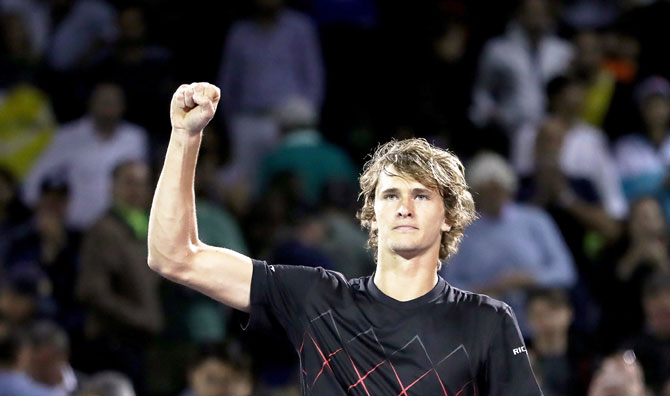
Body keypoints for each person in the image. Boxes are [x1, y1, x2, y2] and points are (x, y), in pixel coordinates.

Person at [148, 82, 543, 395]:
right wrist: (185, 137)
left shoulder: (486, 321)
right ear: (373, 215)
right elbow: (174, 256)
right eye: (390, 195)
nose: (404, 206)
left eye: (420, 195)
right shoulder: (315, 297)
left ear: (448, 217)